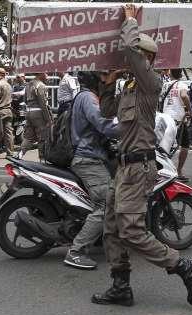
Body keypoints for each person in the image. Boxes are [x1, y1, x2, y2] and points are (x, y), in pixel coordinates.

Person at [91, 4, 192, 307]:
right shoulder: (129, 87)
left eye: (136, 56)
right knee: (112, 228)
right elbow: (106, 114)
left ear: (147, 59)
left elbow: (129, 47)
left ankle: (183, 266)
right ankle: (120, 286)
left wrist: (130, 20)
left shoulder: (150, 83)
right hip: (123, 167)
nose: (129, 60)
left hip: (139, 167)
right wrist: (106, 84)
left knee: (131, 230)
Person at [63, 71, 119, 270]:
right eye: (104, 78)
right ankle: (76, 251)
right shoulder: (88, 98)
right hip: (89, 159)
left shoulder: (83, 96)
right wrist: (131, 129)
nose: (107, 81)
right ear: (96, 80)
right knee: (106, 204)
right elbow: (104, 124)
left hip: (90, 155)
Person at [161, 68, 192, 182]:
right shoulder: (182, 84)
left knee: (165, 147)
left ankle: (164, 171)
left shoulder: (165, 85)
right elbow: (184, 96)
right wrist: (189, 109)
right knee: (184, 145)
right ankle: (178, 171)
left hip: (164, 118)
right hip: (178, 120)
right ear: (180, 74)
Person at [20, 72, 52, 158]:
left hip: (29, 112)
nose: (47, 77)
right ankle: (42, 158)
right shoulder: (41, 86)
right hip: (38, 113)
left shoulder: (28, 84)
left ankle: (20, 154)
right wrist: (48, 119)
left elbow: (25, 100)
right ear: (41, 74)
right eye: (46, 74)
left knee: (29, 136)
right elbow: (43, 104)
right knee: (42, 136)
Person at [0, 67, 14, 156]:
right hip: (8, 110)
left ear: (1, 75)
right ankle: (10, 152)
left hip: (0, 111)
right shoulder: (8, 85)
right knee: (8, 133)